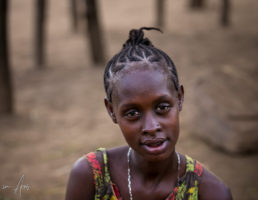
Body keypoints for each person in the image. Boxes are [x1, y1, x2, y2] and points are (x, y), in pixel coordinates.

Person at [65, 27, 232, 200]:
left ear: (180, 98)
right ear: (111, 111)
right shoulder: (90, 177)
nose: (151, 127)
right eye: (132, 113)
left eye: (162, 108)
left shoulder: (212, 193)